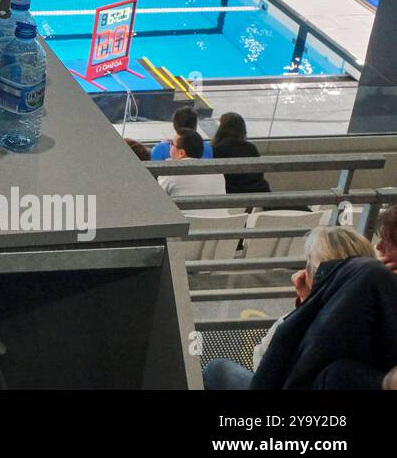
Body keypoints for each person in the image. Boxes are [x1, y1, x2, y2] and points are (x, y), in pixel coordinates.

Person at [204, 226, 397, 389]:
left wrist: (304, 308)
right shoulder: (382, 308)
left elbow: (264, 366)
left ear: (319, 273)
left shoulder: (329, 360)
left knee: (217, 369)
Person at [210, 111, 270, 195]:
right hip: (260, 194)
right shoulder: (251, 148)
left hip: (234, 197)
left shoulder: (217, 150)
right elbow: (259, 174)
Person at [156, 130, 226, 199]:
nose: (170, 146)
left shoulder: (171, 172)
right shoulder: (218, 173)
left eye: (172, 144)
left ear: (181, 153)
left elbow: (155, 197)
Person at [149, 106, 213, 160]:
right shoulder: (207, 148)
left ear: (174, 125)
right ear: (195, 126)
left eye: (172, 144)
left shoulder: (159, 149)